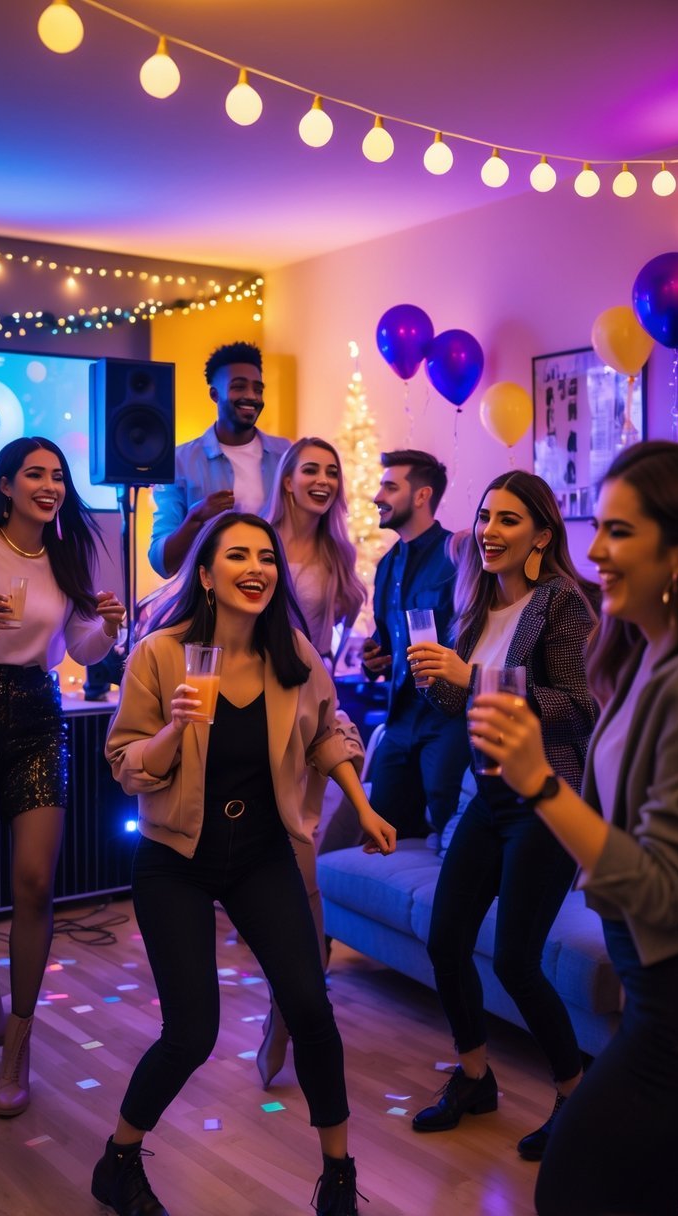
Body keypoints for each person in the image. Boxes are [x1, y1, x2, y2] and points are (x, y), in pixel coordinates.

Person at [97, 511, 396, 1216]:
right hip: (175, 858)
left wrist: (363, 801)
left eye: (265, 557)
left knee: (310, 1009)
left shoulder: (291, 652)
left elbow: (329, 730)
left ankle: (338, 1177)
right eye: (237, 556)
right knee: (191, 1032)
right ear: (206, 574)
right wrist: (175, 727)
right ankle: (117, 1161)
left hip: (260, 854)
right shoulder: (162, 655)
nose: (257, 568)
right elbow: (124, 764)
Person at [469, 442, 678, 1216]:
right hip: (645, 988)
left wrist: (538, 782)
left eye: (619, 532)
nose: (593, 549)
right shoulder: (638, 659)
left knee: (570, 1186)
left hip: (667, 1006)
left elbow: (661, 890)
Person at [0, 436, 125, 1118]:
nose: (50, 485)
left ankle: (17, 1042)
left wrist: (109, 629)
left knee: (34, 885)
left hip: (38, 719)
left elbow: (76, 647)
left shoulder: (65, 556)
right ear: (5, 485)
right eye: (34, 474)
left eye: (58, 476)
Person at [408, 470, 597, 1160]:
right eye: (485, 515)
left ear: (542, 534)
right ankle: (474, 1078)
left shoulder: (562, 604)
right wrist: (437, 683)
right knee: (444, 939)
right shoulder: (477, 605)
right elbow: (461, 707)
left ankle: (574, 1096)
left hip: (544, 800)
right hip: (485, 798)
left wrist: (475, 679)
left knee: (517, 961)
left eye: (510, 519)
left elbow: (580, 711)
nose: (489, 530)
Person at [254, 436, 366, 1086]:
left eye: (331, 472)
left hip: (309, 717)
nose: (322, 480)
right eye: (310, 470)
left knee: (302, 872)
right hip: (249, 710)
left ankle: (286, 1013)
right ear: (288, 480)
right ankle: (285, 1003)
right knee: (262, 874)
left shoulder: (338, 554)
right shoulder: (255, 539)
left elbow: (336, 638)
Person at [359, 449, 470, 839]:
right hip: (400, 717)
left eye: (390, 486)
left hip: (447, 718)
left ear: (421, 496)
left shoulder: (459, 556)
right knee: (382, 826)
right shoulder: (386, 565)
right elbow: (386, 638)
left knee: (447, 815)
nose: (377, 496)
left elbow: (473, 636)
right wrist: (374, 657)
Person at [147, 341, 290, 578]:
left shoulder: (285, 454)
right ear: (214, 394)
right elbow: (162, 563)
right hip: (209, 603)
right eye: (239, 387)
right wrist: (196, 518)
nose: (251, 396)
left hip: (274, 597)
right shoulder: (179, 461)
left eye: (258, 389)